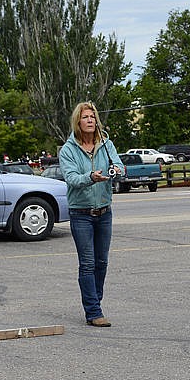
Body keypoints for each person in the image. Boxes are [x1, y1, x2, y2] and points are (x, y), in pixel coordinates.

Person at [59, 101, 125, 327]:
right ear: (78, 121)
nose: (90, 120)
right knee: (87, 263)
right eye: (86, 117)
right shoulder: (68, 149)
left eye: (93, 117)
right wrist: (91, 177)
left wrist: (116, 170)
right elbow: (72, 179)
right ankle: (94, 311)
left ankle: (95, 302)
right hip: (81, 214)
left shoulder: (106, 144)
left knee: (101, 262)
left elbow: (119, 165)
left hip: (104, 211)